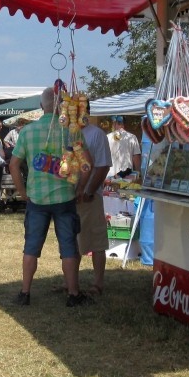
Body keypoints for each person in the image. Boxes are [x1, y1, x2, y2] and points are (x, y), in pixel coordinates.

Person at [9, 86, 91, 307]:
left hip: (36, 198)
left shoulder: (27, 132)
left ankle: (25, 292)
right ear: (61, 106)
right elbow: (87, 165)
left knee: (31, 247)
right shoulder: (72, 131)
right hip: (65, 197)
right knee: (68, 248)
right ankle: (73, 294)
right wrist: (80, 189)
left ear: (41, 107)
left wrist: (22, 192)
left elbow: (13, 165)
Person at [76, 119, 112, 295]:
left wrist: (89, 190)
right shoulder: (66, 131)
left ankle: (98, 283)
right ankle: (70, 281)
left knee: (96, 240)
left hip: (90, 196)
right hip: (70, 196)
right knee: (71, 240)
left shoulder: (97, 134)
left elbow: (103, 166)